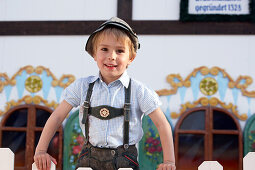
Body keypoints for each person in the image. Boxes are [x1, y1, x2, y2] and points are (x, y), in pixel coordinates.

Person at [34, 17, 176, 170]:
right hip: (88, 159)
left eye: (120, 51)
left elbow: (162, 124)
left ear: (131, 58)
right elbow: (57, 116)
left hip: (125, 161)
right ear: (94, 54)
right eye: (104, 49)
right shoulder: (83, 86)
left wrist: (169, 161)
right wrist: (41, 150)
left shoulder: (139, 91)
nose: (112, 56)